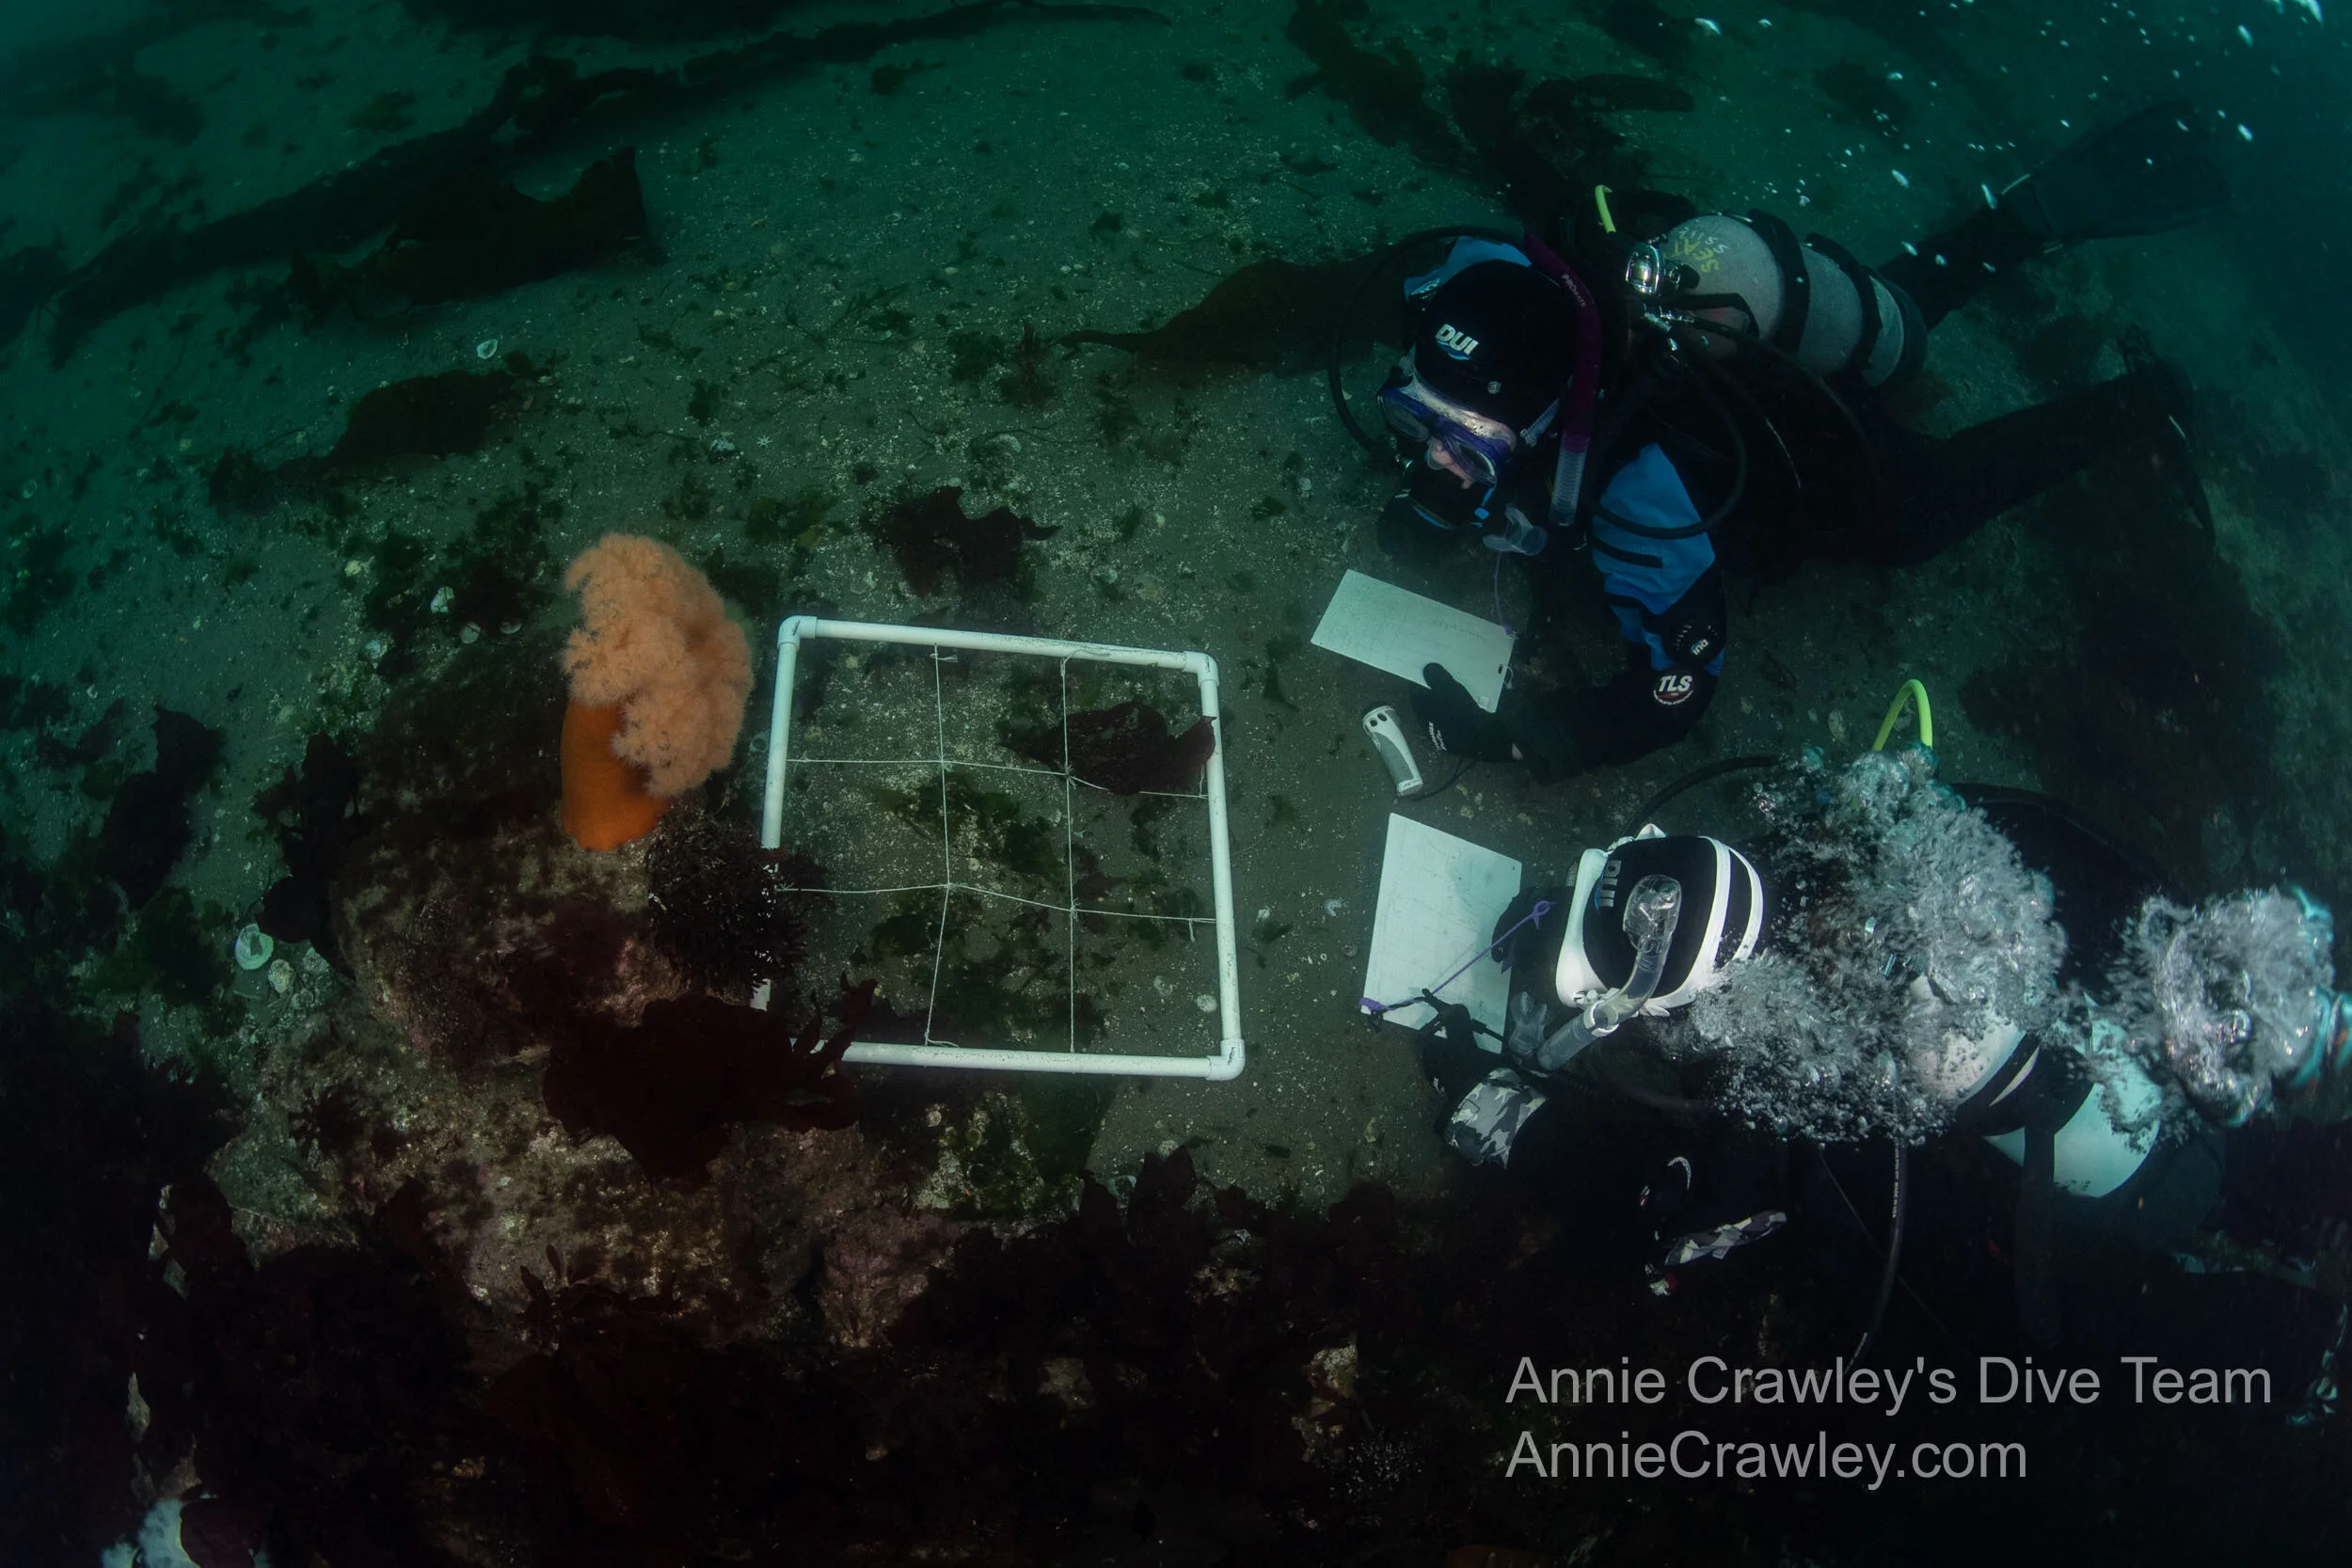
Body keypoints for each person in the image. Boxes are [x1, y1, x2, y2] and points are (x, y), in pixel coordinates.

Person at [1345, 102, 2227, 783]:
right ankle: (2018, 223)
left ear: (1550, 429)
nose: (1430, 460)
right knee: (1891, 313)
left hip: (1815, 459)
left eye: (1468, 451)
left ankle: (2148, 399)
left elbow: (1674, 691)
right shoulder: (1470, 279)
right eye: (1414, 421)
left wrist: (1511, 738)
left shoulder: (1635, 490)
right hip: (1738, 363)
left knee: (1927, 510)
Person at [1406, 742, 2352, 1361]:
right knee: (2267, 1178)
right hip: (2126, 1083)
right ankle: (2304, 1207)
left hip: (2117, 1189)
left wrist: (1493, 1106)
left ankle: (2297, 1337)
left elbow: (1663, 1213)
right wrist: (1560, 921)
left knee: (2167, 1285)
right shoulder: (1833, 847)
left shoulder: (1786, 1086)